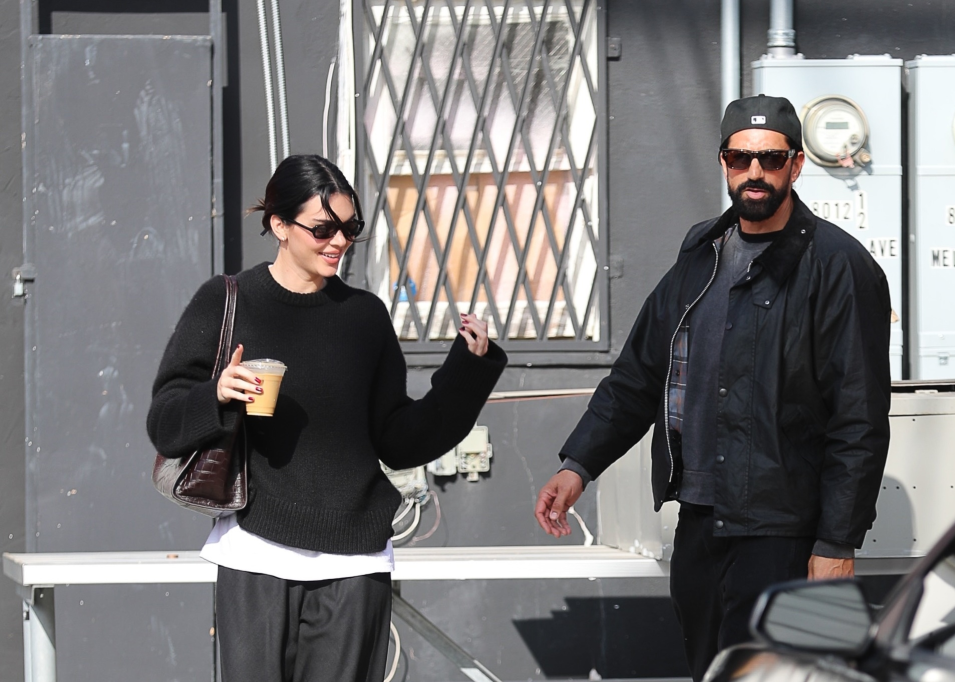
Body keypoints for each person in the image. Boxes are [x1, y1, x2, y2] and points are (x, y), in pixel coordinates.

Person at [534, 95, 891, 681]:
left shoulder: (837, 266)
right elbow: (637, 375)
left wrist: (836, 544)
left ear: (796, 166)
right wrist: (578, 464)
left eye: (771, 159)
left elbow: (859, 419)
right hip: (701, 520)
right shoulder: (701, 254)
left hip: (783, 531)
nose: (755, 173)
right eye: (739, 158)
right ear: (724, 163)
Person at [147, 154, 507, 682]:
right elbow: (165, 422)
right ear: (279, 225)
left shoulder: (364, 316)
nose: (338, 241)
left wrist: (467, 373)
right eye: (322, 228)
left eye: (350, 228)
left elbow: (399, 441)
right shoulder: (227, 301)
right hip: (256, 552)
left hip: (355, 558)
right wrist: (218, 394)